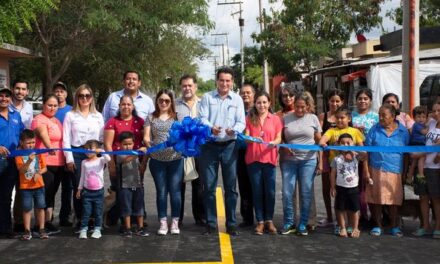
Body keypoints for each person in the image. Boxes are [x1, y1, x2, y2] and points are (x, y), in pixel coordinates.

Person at [198, 67, 245, 236]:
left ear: (232, 82)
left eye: (228, 80)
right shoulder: (207, 97)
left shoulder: (237, 99)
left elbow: (241, 121)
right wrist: (211, 128)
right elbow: (202, 119)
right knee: (209, 187)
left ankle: (231, 223)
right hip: (209, 146)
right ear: (216, 81)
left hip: (230, 146)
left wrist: (235, 130)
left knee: (231, 187)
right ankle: (211, 224)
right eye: (222, 80)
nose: (225, 83)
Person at [280, 92, 322, 236]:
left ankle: (303, 223)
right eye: (297, 107)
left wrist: (320, 162)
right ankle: (289, 222)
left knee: (306, 192)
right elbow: (280, 139)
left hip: (308, 161)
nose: (299, 110)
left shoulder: (313, 119)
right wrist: (285, 146)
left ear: (308, 106)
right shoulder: (285, 119)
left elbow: (319, 142)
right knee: (287, 192)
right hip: (289, 161)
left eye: (303, 107)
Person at [319, 107, 366, 235]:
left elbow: (363, 150)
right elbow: (322, 140)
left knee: (354, 205)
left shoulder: (355, 131)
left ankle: (354, 226)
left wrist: (358, 153)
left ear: (349, 119)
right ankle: (341, 226)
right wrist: (323, 143)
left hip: (353, 175)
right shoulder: (331, 130)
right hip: (337, 171)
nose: (339, 120)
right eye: (337, 118)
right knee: (340, 204)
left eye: (342, 117)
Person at [365, 104, 410, 237]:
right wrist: (367, 171)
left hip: (395, 169)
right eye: (379, 115)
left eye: (383, 115)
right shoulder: (374, 129)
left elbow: (407, 154)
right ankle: (377, 225)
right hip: (376, 168)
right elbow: (367, 151)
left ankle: (394, 226)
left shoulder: (403, 132)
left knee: (394, 200)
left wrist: (405, 173)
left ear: (393, 116)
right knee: (377, 199)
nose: (380, 118)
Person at [63, 84, 104, 228]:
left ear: (92, 98)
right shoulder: (70, 115)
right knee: (80, 188)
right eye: (81, 96)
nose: (84, 98)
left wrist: (101, 156)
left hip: (94, 155)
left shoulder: (98, 116)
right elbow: (66, 138)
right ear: (77, 98)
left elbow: (101, 137)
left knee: (95, 186)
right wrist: (69, 158)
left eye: (87, 95)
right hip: (77, 154)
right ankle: (81, 219)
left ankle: (94, 219)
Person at [144, 89, 183, 236]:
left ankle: (174, 221)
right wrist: (149, 144)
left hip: (175, 160)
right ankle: (162, 222)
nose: (164, 103)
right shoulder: (150, 118)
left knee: (175, 193)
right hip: (157, 161)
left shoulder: (177, 118)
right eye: (161, 100)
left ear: (171, 102)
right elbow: (146, 137)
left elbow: (183, 137)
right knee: (161, 192)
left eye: (167, 100)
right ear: (157, 102)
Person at [104, 95, 145, 229]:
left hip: (136, 166)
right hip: (119, 164)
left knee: (137, 193)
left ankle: (137, 220)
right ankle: (123, 222)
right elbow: (108, 145)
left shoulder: (140, 121)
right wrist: (111, 165)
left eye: (129, 104)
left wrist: (143, 164)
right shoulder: (112, 122)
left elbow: (146, 143)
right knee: (121, 194)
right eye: (123, 104)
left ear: (133, 106)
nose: (126, 107)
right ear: (119, 106)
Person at [244, 91, 282, 235]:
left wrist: (274, 143)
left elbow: (279, 137)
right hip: (253, 159)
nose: (262, 105)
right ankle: (260, 221)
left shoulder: (276, 119)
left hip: (269, 160)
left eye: (264, 102)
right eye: (259, 102)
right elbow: (246, 137)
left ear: (269, 103)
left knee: (270, 192)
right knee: (257, 191)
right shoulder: (249, 117)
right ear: (255, 104)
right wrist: (251, 139)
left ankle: (269, 220)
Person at [31, 94, 64, 235]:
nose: (52, 108)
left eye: (55, 105)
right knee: (43, 194)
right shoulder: (38, 119)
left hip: (58, 163)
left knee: (52, 194)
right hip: (44, 162)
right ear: (43, 105)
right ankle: (39, 225)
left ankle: (48, 221)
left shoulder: (57, 121)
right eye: (49, 105)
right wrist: (49, 146)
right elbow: (42, 133)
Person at [175, 74, 205, 227]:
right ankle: (177, 218)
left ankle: (200, 217)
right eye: (184, 85)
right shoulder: (175, 104)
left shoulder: (203, 104)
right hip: (181, 150)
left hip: (199, 149)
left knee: (199, 185)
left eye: (190, 85)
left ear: (195, 87)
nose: (187, 88)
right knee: (179, 184)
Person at [351, 88, 379, 227]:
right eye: (360, 98)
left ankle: (376, 218)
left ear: (370, 101)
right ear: (356, 100)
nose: (362, 101)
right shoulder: (351, 116)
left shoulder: (376, 117)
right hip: (355, 157)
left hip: (372, 156)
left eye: (365, 99)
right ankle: (361, 216)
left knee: (371, 186)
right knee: (358, 188)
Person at [412, 102, 440, 238]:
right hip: (423, 167)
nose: (436, 113)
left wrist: (421, 154)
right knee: (423, 197)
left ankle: (438, 227)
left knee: (436, 199)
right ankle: (425, 225)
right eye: (434, 111)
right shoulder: (432, 124)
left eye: (439, 111)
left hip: (436, 169)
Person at [317, 88, 345, 228]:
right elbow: (319, 139)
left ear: (342, 102)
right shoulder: (323, 117)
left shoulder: (345, 117)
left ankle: (341, 218)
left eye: (337, 101)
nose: (334, 104)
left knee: (342, 188)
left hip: (343, 158)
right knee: (326, 188)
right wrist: (320, 162)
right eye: (332, 101)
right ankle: (329, 216)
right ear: (328, 102)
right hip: (327, 158)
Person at [15, 129, 49, 240]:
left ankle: (42, 229)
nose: (31, 145)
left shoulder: (38, 152)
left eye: (33, 142)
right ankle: (27, 230)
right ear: (21, 143)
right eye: (28, 143)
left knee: (40, 207)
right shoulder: (18, 154)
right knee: (26, 208)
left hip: (39, 186)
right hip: (26, 187)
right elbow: (21, 171)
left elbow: (45, 168)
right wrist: (29, 161)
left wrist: (39, 173)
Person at [0, 87, 24, 237]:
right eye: (1, 96)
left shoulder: (16, 115)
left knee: (6, 195)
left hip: (11, 161)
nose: (4, 99)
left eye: (7, 96)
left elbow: (22, 135)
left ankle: (6, 228)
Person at [116, 132, 149, 237]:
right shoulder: (119, 154)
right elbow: (126, 160)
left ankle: (140, 228)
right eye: (125, 144)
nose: (127, 146)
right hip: (125, 186)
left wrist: (145, 154)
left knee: (139, 208)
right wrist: (138, 153)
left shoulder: (136, 153)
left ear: (134, 143)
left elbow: (142, 167)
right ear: (120, 144)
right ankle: (127, 229)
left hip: (138, 185)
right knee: (126, 208)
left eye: (130, 144)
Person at [76, 140, 110, 239]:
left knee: (98, 212)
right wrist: (79, 189)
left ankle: (97, 229)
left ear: (97, 149)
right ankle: (83, 229)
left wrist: (102, 151)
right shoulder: (84, 162)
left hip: (98, 191)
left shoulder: (100, 160)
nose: (88, 151)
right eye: (86, 149)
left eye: (91, 148)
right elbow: (82, 177)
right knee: (86, 212)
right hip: (87, 192)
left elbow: (108, 159)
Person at [330, 133, 362, 238]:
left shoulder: (356, 156)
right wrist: (333, 187)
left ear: (353, 143)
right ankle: (342, 227)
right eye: (342, 143)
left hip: (354, 187)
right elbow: (333, 174)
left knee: (355, 208)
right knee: (340, 208)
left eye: (348, 143)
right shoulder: (336, 159)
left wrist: (353, 152)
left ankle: (355, 228)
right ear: (338, 145)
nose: (346, 145)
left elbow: (365, 155)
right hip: (341, 187)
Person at [53, 81, 74, 227]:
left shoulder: (72, 111)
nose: (59, 93)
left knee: (68, 189)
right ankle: (47, 218)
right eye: (57, 91)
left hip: (67, 156)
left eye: (62, 91)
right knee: (51, 188)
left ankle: (64, 217)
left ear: (66, 94)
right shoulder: (50, 110)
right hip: (52, 158)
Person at [236, 83, 255, 227]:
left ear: (253, 94)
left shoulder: (260, 108)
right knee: (244, 186)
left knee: (258, 186)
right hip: (240, 152)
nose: (245, 95)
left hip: (257, 153)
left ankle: (261, 217)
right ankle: (247, 217)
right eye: (243, 93)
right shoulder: (236, 110)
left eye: (248, 92)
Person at [407, 106, 429, 182]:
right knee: (422, 157)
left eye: (423, 117)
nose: (421, 119)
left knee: (414, 162)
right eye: (418, 117)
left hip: (417, 145)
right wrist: (429, 127)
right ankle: (421, 174)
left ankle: (409, 177)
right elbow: (424, 132)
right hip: (416, 144)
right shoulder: (416, 125)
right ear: (414, 118)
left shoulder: (420, 125)